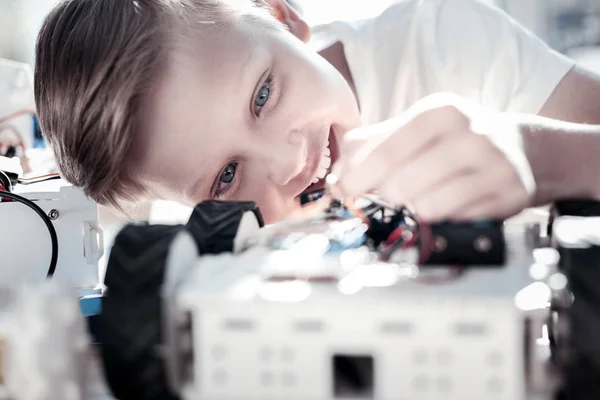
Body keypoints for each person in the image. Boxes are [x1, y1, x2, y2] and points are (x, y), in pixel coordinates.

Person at [34, 0, 600, 224]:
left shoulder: (445, 41)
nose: (286, 165)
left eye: (262, 96)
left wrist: (541, 155)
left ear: (281, 16)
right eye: (227, 176)